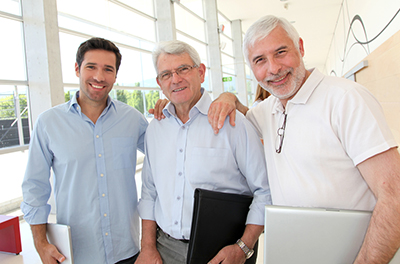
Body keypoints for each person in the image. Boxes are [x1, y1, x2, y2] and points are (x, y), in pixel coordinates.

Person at [206, 15, 400, 263]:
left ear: (301, 47)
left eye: (281, 52)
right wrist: (227, 96)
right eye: (260, 60)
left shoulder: (346, 99)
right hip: (299, 250)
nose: (274, 68)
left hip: (356, 253)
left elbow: (394, 195)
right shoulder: (268, 109)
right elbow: (244, 114)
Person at [135, 40, 271, 264]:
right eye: (166, 74)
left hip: (223, 252)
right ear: (159, 82)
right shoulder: (156, 128)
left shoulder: (233, 123)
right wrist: (147, 247)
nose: (176, 79)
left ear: (201, 72)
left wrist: (243, 248)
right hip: (165, 250)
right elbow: (149, 192)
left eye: (183, 69)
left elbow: (264, 191)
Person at [21, 37, 148, 264]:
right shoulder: (49, 123)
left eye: (108, 69)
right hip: (76, 253)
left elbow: (170, 151)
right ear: (78, 69)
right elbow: (34, 188)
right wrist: (41, 243)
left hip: (127, 250)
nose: (99, 77)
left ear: (115, 76)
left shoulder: (133, 120)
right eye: (91, 67)